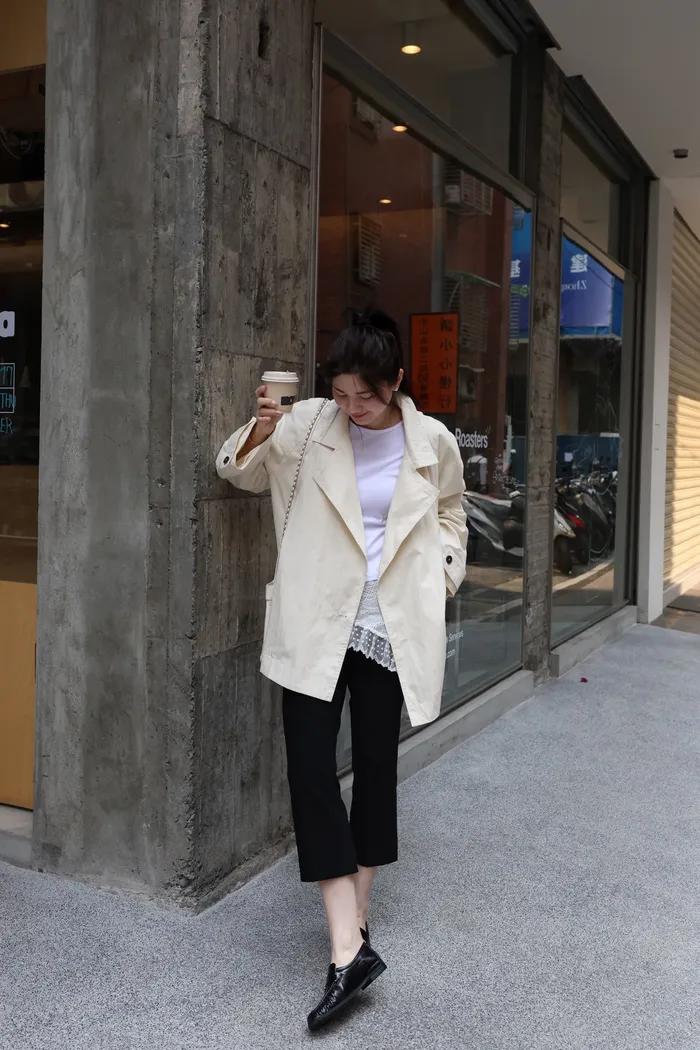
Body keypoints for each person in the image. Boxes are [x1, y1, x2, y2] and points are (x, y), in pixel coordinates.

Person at [215, 311, 468, 1031]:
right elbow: (235, 470)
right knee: (309, 773)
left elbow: (451, 515)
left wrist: (441, 577)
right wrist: (262, 427)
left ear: (396, 383)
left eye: (367, 396)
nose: (353, 407)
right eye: (342, 393)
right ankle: (347, 946)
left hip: (391, 623)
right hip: (317, 619)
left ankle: (354, 929)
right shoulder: (308, 424)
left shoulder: (432, 441)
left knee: (377, 771)